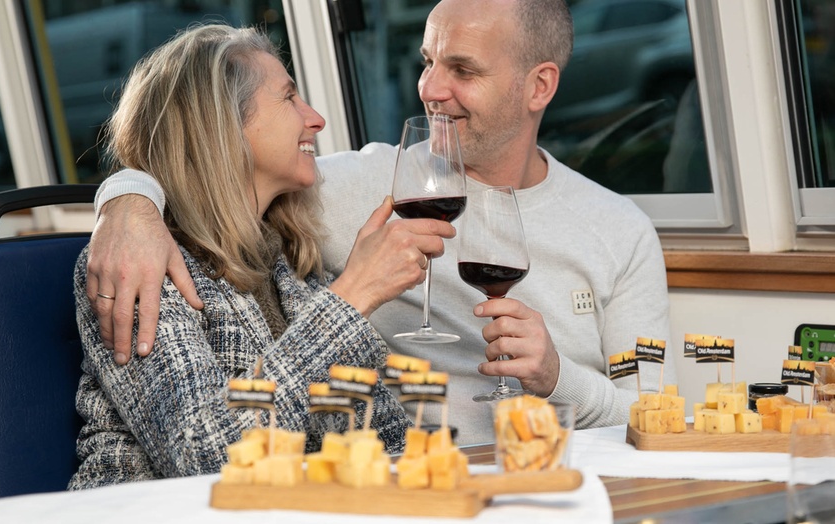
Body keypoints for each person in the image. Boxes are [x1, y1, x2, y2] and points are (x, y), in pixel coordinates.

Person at [87, 0, 677, 446]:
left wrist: (556, 377)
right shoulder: (329, 191)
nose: (430, 89)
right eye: (428, 62)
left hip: (558, 477)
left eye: (463, 70)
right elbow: (195, 162)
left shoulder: (619, 230)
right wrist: (128, 199)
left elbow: (659, 416)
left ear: (539, 85)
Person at [69, 23, 457, 490]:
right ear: (221, 124)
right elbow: (203, 457)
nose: (316, 119)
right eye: (289, 98)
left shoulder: (290, 265)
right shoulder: (138, 265)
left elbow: (386, 440)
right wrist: (352, 298)